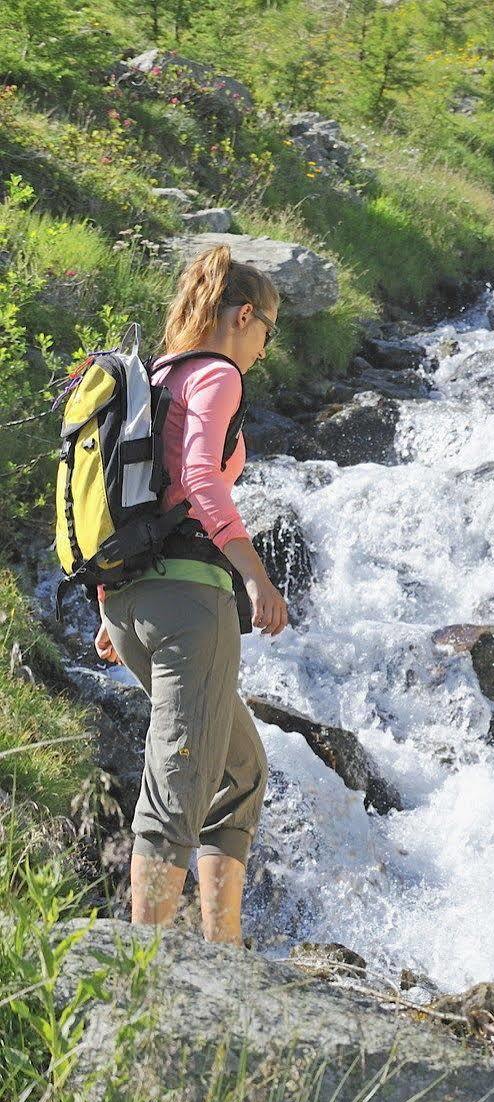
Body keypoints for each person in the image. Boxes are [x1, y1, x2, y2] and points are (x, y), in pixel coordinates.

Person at [93, 244, 289, 943]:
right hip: (189, 605)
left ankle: (221, 951)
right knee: (177, 790)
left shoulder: (153, 377)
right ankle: (149, 975)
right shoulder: (216, 376)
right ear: (244, 316)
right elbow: (203, 479)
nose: (266, 346)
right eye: (269, 330)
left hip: (130, 602)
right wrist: (254, 575)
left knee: (239, 771)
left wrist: (111, 600)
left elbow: (122, 499)